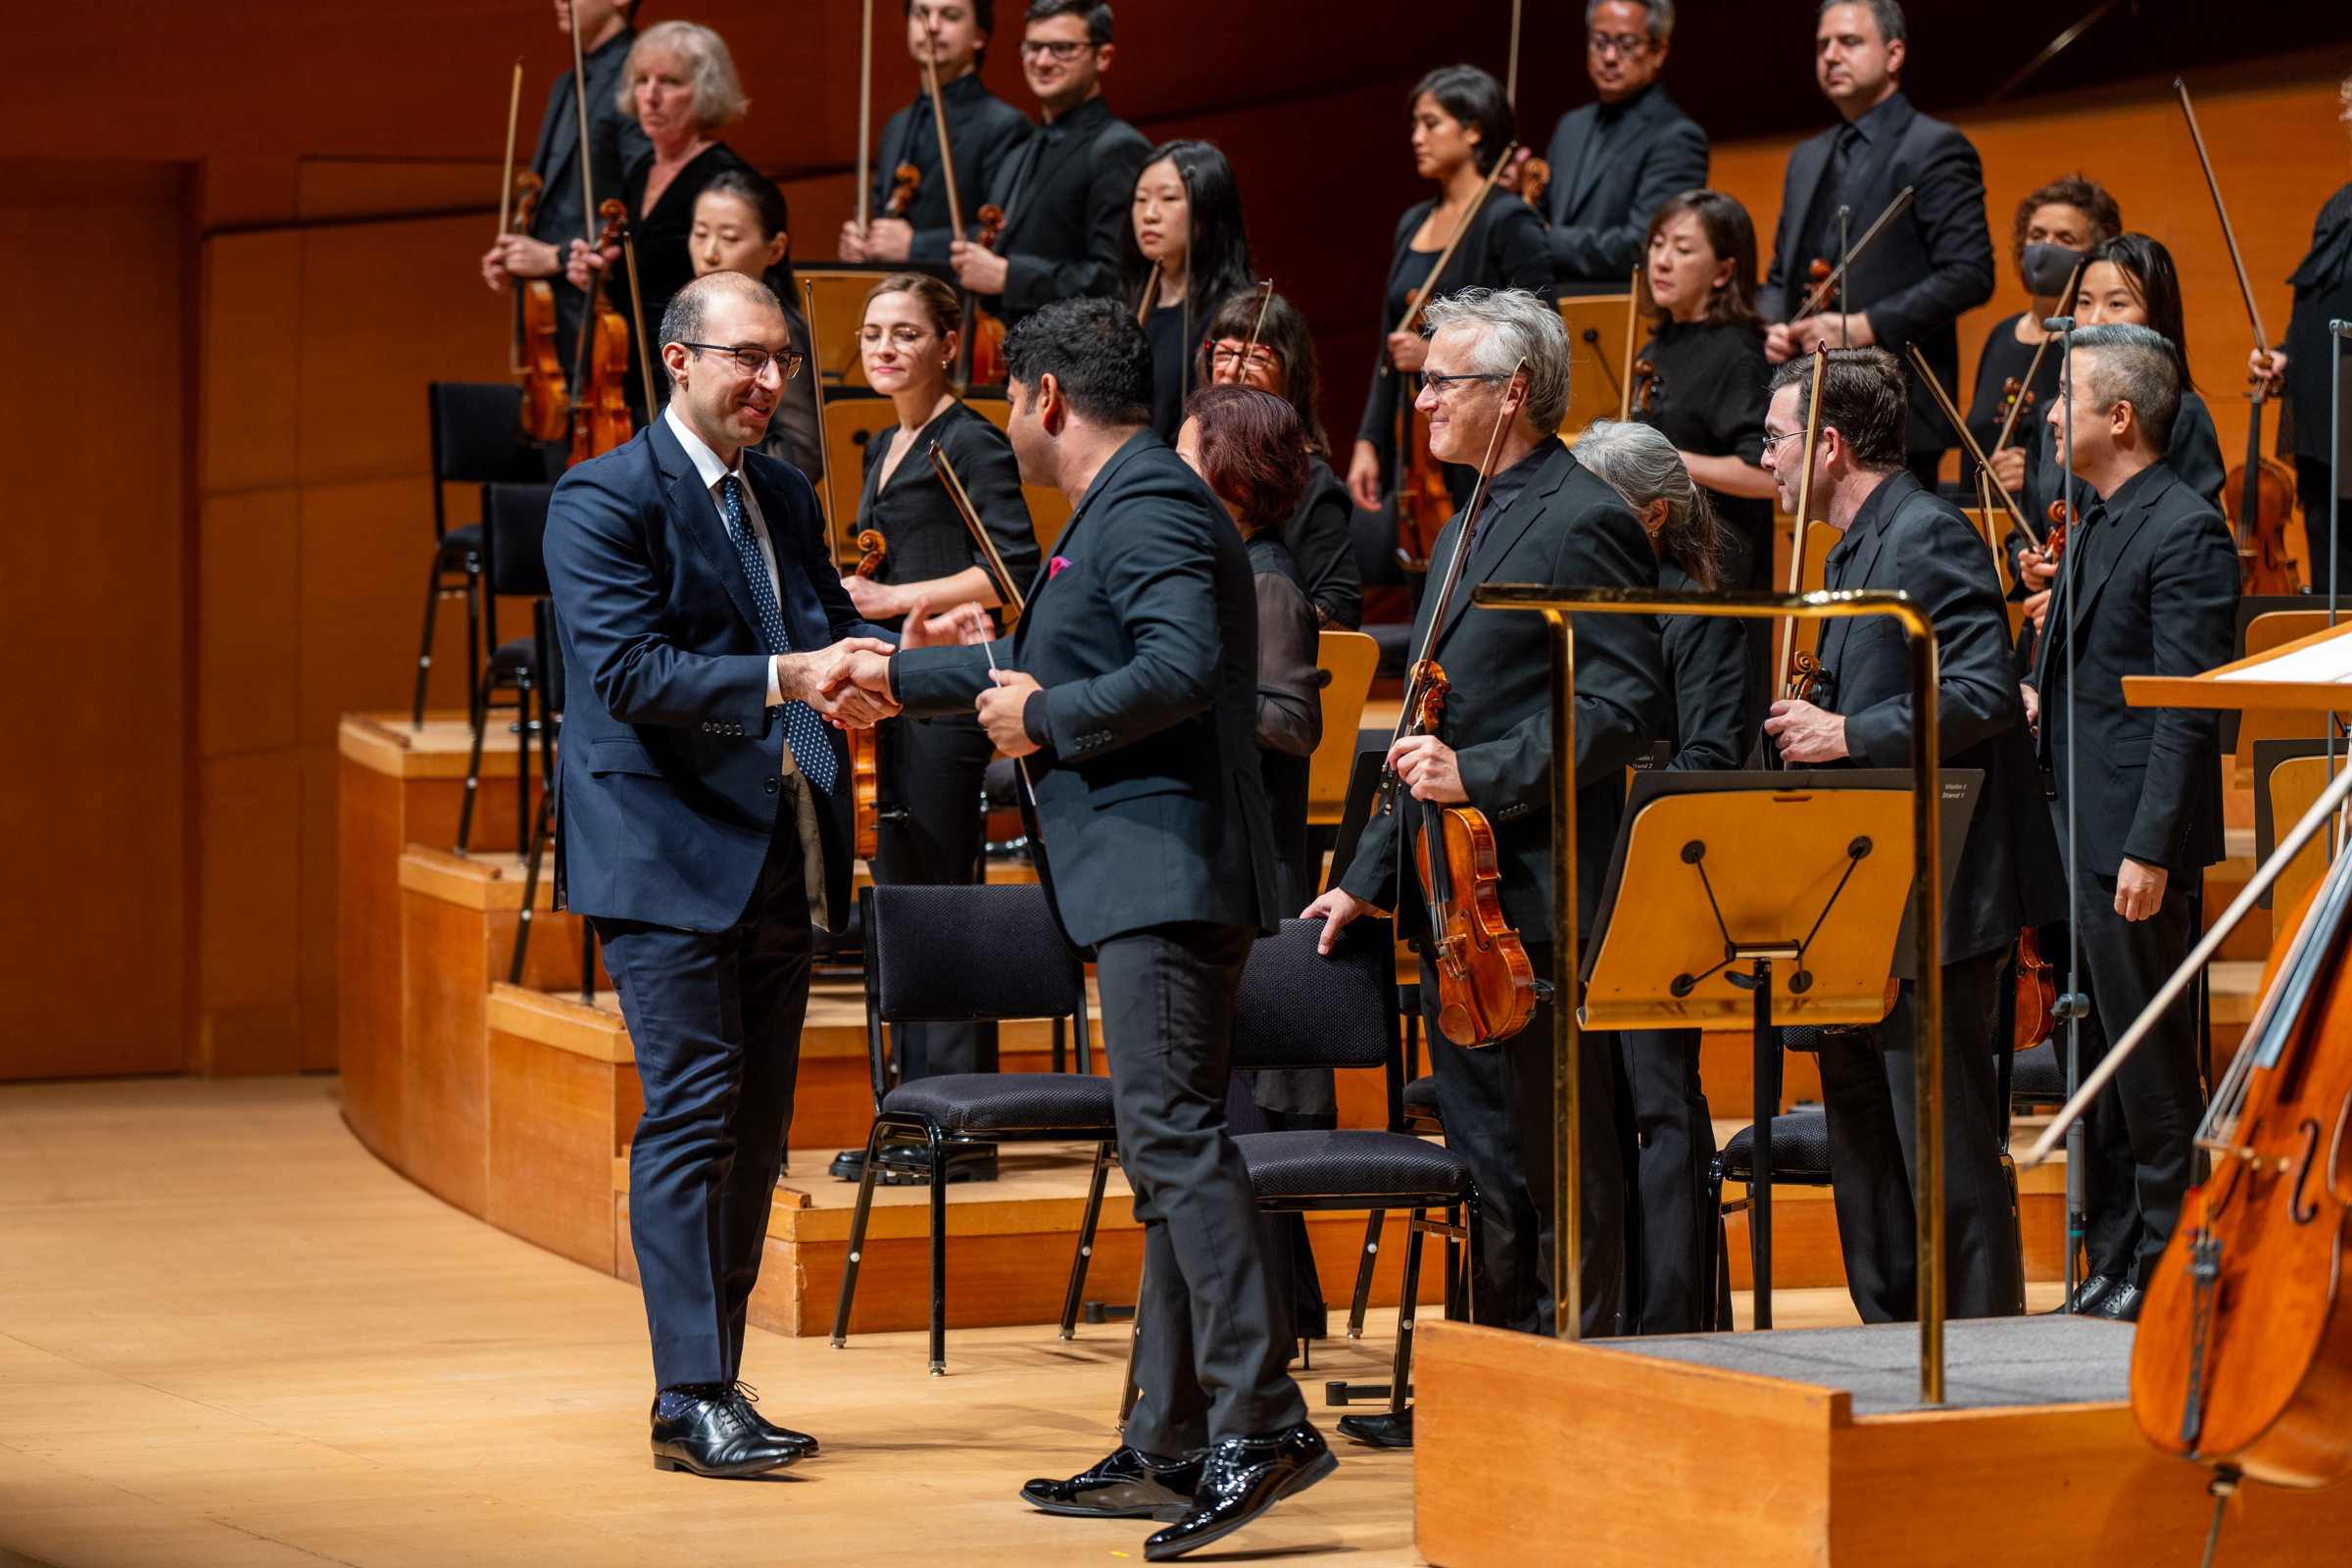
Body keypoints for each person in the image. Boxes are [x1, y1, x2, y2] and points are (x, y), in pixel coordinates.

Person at [838, 296, 1330, 1556]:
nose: (1010, 419)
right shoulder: (1121, 508)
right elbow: (1031, 672)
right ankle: (1169, 1440)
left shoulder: (1154, 501)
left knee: (1172, 1143)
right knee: (1168, 1154)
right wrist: (890, 676)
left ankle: (1262, 1422)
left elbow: (1168, 671)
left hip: (1164, 878)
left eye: (1011, 397)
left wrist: (1046, 723)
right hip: (1142, 878)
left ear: (1049, 398)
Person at [540, 270, 973, 1476]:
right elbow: (628, 672)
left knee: (757, 1126)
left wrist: (891, 658)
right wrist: (792, 674)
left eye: (781, 360)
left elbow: (833, 624)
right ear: (677, 360)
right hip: (664, 853)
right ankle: (687, 1392)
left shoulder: (781, 488)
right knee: (690, 1116)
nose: (770, 383)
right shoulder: (600, 497)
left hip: (785, 844)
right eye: (746, 359)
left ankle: (716, 1379)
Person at [1307, 289, 1670, 1448]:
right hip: (1455, 899)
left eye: (1440, 383)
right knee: (1486, 1167)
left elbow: (1624, 705)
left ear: (1511, 392)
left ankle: (1582, 1394)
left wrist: (1488, 774)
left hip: (1539, 899)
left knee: (1562, 1164)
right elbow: (1419, 716)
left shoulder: (1582, 515)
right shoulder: (1469, 514)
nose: (1419, 401)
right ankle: (1491, 1396)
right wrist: (1366, 873)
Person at [1759, 348, 2065, 1324]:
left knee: (1944, 1151)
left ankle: (1981, 1358)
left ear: (1830, 444)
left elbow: (1982, 692)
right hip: (1860, 894)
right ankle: (1890, 1345)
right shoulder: (1850, 549)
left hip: (1936, 893)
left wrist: (1845, 731)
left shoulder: (1927, 534)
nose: (1763, 460)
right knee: (1867, 1144)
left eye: (1775, 439)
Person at [2022, 323, 2237, 1323]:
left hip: (2129, 843)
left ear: (2121, 416)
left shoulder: (2183, 527)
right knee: (2099, 1062)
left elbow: (2185, 709)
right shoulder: (2100, 518)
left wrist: (2150, 848)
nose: (2048, 413)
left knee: (2149, 1065)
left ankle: (2172, 1256)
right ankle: (2116, 1251)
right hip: (2077, 829)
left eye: (2066, 396)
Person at [822, 271, 1041, 1187]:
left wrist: (892, 597)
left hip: (949, 697)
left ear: (951, 344)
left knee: (941, 903)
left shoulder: (971, 442)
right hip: (898, 691)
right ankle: (908, 1115)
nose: (884, 348)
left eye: (906, 333)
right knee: (902, 904)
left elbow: (1011, 570)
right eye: (873, 332)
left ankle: (963, 1128)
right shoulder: (887, 443)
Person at [1571, 417, 1743, 1334]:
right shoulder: (1592, 604)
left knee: (1661, 1107)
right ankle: (1603, 1319)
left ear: (1652, 516)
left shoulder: (1696, 607)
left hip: (1661, 887)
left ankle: (1674, 1323)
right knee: (1598, 1116)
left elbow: (1712, 757)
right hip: (1580, 885)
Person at [1758, 0, 1995, 493]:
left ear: (1893, 54)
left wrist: (1864, 326)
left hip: (1895, 409)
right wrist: (1774, 324)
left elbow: (1970, 273)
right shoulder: (1805, 157)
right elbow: (1781, 273)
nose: (1830, 55)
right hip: (1811, 408)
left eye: (1849, 42)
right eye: (1823, 44)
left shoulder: (1935, 147)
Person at [1348, 65, 1556, 517]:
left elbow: (1542, 339)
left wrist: (1429, 352)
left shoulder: (1507, 220)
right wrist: (1369, 440)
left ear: (1474, 130)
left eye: (1431, 123)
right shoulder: (1412, 223)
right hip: (1415, 444)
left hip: (1479, 441)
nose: (1417, 137)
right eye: (1414, 126)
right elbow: (1389, 345)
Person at [2010, 234, 2230, 642]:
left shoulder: (2182, 414)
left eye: (2116, 303)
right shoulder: (2052, 417)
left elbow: (2188, 546)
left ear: (2154, 316)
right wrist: (2026, 563)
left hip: (2121, 638)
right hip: (2044, 638)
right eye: (2084, 301)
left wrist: (2073, 590)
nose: (2093, 320)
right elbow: (2023, 526)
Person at [1628, 188, 1776, 719]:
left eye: (1684, 249)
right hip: (1658, 558)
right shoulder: (1654, 348)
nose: (1661, 259)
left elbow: (1768, 476)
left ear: (1723, 271)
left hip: (1716, 566)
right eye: (1658, 243)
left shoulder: (1738, 352)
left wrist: (1657, 457)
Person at [566, 22, 760, 417]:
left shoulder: (724, 181)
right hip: (628, 379)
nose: (650, 96)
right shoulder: (640, 172)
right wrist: (598, 274)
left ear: (706, 92)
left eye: (669, 82)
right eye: (641, 80)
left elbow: (735, 293)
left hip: (683, 383)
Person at [949, 1, 1150, 330]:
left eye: (1062, 48)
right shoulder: (1019, 151)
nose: (1042, 61)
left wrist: (1008, 277)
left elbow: (1115, 278)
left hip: (1070, 362)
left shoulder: (1118, 148)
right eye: (1033, 47)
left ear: (1103, 57)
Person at [481, 0, 652, 378]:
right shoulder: (567, 84)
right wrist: (516, 252)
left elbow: (642, 205)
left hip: (604, 323)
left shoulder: (641, 82)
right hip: (552, 326)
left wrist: (554, 257)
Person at [1197, 290, 1364, 629]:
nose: (1231, 371)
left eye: (1255, 357)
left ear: (1290, 372)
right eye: (1223, 352)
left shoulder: (1309, 479)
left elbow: (1339, 607)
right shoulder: (1192, 461)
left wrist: (1248, 630)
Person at [837, 0, 1033, 265]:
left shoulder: (1006, 125)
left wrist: (915, 246)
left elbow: (1008, 234)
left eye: (950, 16)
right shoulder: (896, 126)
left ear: (980, 36)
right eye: (921, 14)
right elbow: (885, 225)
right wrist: (864, 244)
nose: (931, 26)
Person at [1538, 0, 1710, 295]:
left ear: (1658, 52)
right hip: (1548, 306)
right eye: (1599, 42)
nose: (1609, 57)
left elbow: (1642, 244)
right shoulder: (1570, 125)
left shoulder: (1678, 137)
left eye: (1626, 45)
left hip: (1616, 312)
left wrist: (1543, 240)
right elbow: (1542, 214)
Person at [1965, 175, 2120, 500]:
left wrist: (2040, 471)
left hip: (2051, 524)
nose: (2046, 247)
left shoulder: (2093, 345)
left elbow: (2112, 456)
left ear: (2093, 255)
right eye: (2037, 235)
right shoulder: (2001, 334)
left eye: (2065, 238)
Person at [2258, 74, 2352, 587]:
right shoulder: (2340, 206)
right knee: (2337, 596)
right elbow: (2323, 310)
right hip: (2328, 435)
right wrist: (2286, 355)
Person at [689, 168, 822, 482]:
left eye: (730, 238)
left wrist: (712, 472)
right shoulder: (693, 318)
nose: (708, 254)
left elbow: (805, 452)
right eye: (700, 233)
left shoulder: (779, 332)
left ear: (775, 249)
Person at [1119, 140, 1255, 442]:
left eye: (1168, 198)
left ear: (1209, 208)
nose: (1149, 214)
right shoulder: (1130, 305)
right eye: (1140, 200)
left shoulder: (1233, 313)